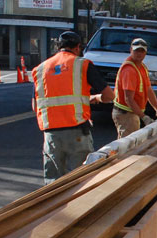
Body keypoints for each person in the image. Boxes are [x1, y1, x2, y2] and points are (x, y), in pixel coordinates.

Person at [32, 31, 114, 184]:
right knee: (82, 178)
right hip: (77, 129)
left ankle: (55, 207)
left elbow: (35, 105)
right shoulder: (82, 64)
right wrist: (94, 98)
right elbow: (109, 96)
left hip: (51, 133)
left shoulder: (40, 69)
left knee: (53, 182)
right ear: (77, 47)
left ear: (58, 47)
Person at [113, 38, 157, 139]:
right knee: (128, 147)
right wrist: (144, 117)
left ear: (145, 52)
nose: (139, 53)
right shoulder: (129, 70)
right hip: (125, 114)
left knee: (131, 144)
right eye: (136, 50)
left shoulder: (141, 67)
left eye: (142, 51)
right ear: (131, 50)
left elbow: (148, 90)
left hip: (132, 113)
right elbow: (128, 99)